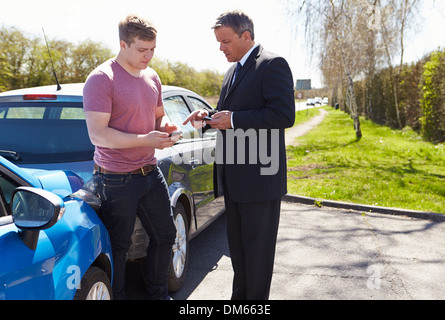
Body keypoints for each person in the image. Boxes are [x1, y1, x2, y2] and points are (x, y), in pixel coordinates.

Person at [183, 10, 295, 300]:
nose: (221, 48)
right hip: (234, 180)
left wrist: (233, 120)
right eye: (219, 42)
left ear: (246, 36)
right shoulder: (231, 71)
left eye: (226, 41)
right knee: (240, 256)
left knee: (257, 260)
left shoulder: (273, 64)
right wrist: (207, 116)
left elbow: (283, 115)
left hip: (260, 180)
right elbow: (228, 112)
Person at [83, 14, 178, 300]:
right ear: (123, 44)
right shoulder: (102, 79)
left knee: (166, 236)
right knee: (118, 248)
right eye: (141, 50)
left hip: (150, 172)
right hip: (115, 179)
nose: (148, 56)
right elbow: (98, 135)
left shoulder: (152, 76)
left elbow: (159, 119)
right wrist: (146, 139)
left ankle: (157, 294)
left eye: (152, 50)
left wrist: (167, 130)